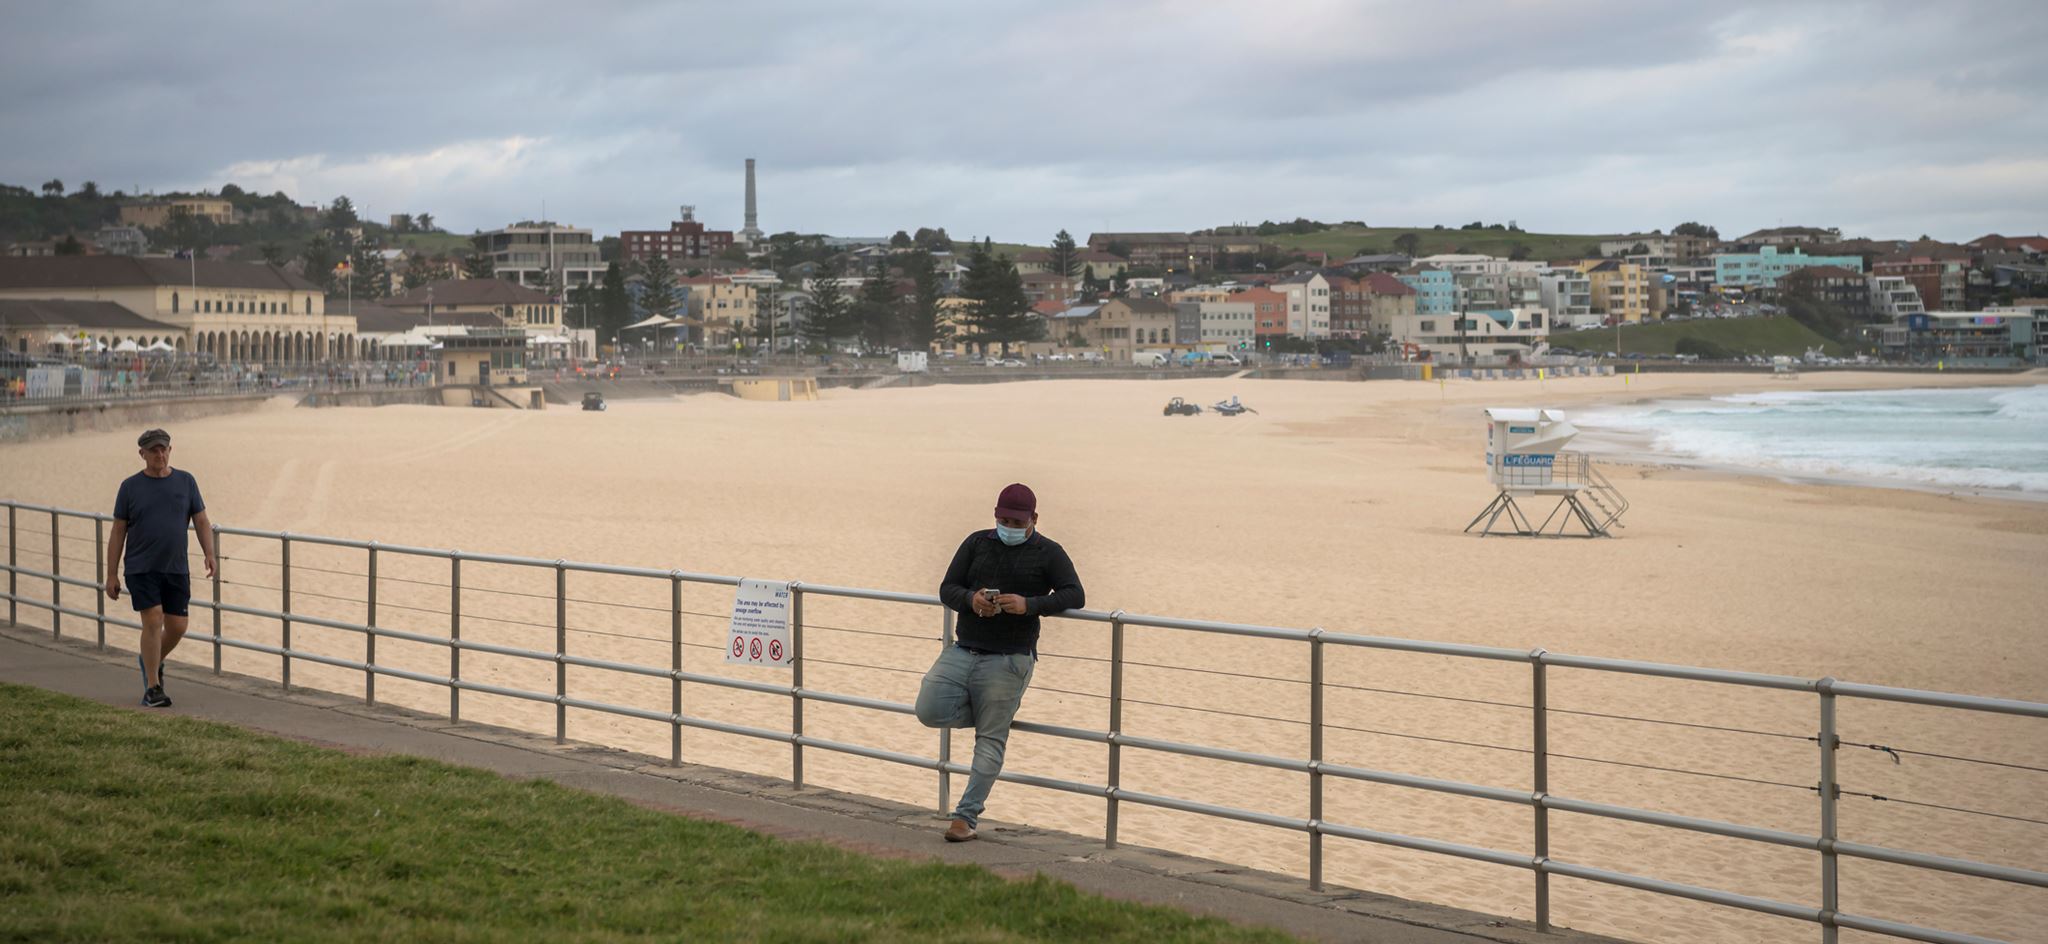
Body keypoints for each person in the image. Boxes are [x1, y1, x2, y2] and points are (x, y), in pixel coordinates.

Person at [917, 483, 1085, 842]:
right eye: (1003, 519)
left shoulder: (1048, 552)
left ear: (1033, 519)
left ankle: (965, 819)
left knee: (990, 740)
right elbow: (947, 587)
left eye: (1016, 521)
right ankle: (993, 716)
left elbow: (1075, 594)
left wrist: (1031, 605)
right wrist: (971, 599)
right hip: (964, 649)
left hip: (1010, 658)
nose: (1008, 526)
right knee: (928, 708)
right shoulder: (976, 543)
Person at [104, 428, 216, 708]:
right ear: (142, 454)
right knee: (153, 619)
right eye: (153, 450)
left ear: (170, 450)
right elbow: (118, 531)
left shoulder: (186, 481)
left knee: (177, 626)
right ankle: (152, 687)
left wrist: (209, 553)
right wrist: (111, 573)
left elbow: (201, 520)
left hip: (176, 567)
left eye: (164, 449)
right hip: (141, 567)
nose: (160, 454)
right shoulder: (129, 487)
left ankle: (150, 659)